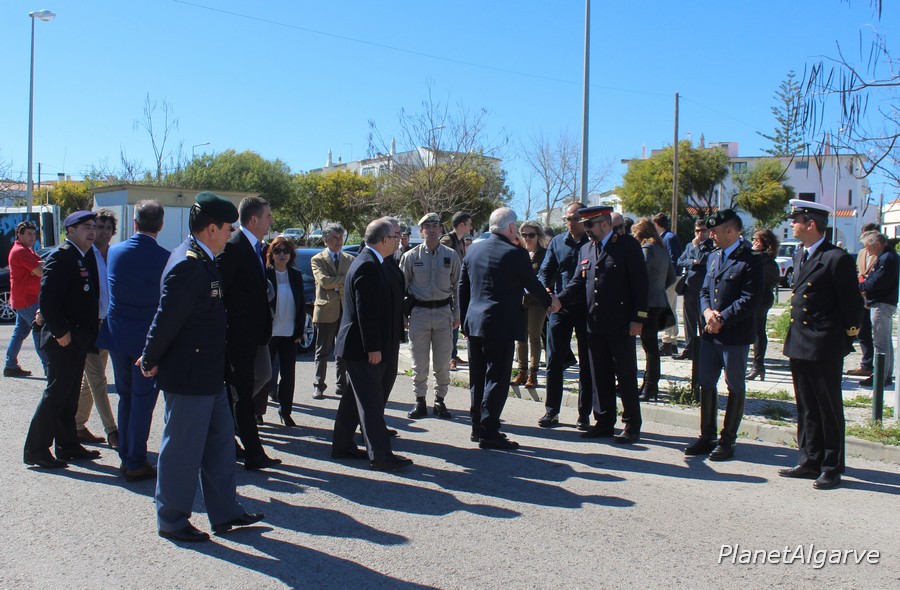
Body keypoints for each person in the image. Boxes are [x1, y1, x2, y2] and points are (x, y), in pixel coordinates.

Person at [141, 192, 263, 542]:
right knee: (181, 451)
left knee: (221, 445)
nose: (231, 233)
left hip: (210, 372)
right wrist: (150, 357)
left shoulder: (204, 258)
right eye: (228, 228)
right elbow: (167, 318)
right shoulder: (188, 263)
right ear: (211, 228)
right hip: (189, 374)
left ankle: (225, 512)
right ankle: (172, 519)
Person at [778, 200, 863, 490]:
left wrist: (845, 337)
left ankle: (831, 465)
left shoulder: (836, 258)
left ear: (811, 223)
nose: (792, 224)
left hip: (824, 343)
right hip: (800, 341)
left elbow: (852, 306)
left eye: (796, 220)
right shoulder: (801, 254)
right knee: (806, 405)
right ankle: (809, 459)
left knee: (828, 408)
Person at [461, 207, 552, 449]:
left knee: (477, 378)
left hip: (474, 323)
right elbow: (531, 284)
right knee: (497, 378)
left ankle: (477, 427)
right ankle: (489, 432)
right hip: (500, 324)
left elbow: (462, 287)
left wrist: (464, 320)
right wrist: (550, 302)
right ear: (512, 228)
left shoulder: (473, 250)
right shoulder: (516, 253)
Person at [556, 206, 648, 444]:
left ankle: (631, 424)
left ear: (604, 224)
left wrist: (638, 319)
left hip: (621, 323)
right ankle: (604, 421)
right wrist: (558, 301)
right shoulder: (587, 248)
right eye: (584, 225)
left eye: (589, 225)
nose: (585, 229)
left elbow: (641, 285)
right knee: (599, 374)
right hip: (594, 323)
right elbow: (578, 282)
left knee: (625, 375)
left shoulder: (627, 245)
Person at [95, 200, 170, 481]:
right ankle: (135, 460)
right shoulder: (166, 258)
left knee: (126, 397)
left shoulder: (115, 251)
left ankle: (127, 456)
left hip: (118, 334)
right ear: (160, 225)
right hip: (146, 339)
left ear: (135, 223)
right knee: (142, 401)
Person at [331, 217, 411, 471]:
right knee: (371, 403)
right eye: (396, 236)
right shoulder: (367, 265)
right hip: (362, 348)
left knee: (353, 399)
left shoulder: (378, 262)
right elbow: (365, 312)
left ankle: (342, 445)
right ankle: (380, 456)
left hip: (368, 345)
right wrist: (373, 348)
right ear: (384, 240)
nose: (399, 240)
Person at [23, 211, 101, 469]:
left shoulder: (83, 255)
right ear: (70, 231)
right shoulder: (62, 255)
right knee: (56, 395)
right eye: (85, 227)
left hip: (78, 337)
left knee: (69, 395)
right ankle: (36, 449)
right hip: (63, 339)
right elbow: (47, 299)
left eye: (93, 227)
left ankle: (67, 445)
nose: (92, 231)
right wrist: (59, 331)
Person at [683, 210, 762, 461]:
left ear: (730, 230)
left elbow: (749, 299)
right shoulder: (713, 257)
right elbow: (704, 291)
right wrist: (707, 313)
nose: (711, 236)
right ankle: (707, 436)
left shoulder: (750, 260)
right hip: (710, 333)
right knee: (706, 382)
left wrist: (722, 318)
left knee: (734, 384)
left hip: (734, 335)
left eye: (715, 231)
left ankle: (728, 440)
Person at [217, 196, 279, 471]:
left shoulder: (256, 247)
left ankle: (238, 440)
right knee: (241, 394)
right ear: (254, 220)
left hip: (254, 335)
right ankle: (253, 453)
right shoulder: (234, 247)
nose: (271, 221)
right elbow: (221, 292)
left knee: (252, 384)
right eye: (268, 216)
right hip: (237, 336)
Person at [538, 202, 593, 428]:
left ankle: (584, 414)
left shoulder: (592, 242)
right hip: (559, 308)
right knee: (554, 360)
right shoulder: (557, 242)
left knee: (587, 363)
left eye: (575, 219)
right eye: (568, 219)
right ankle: (551, 411)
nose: (571, 223)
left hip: (585, 308)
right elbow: (544, 271)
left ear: (584, 219)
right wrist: (546, 291)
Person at [401, 213, 461, 420]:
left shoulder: (451, 256)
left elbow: (458, 287)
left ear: (441, 229)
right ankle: (420, 401)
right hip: (419, 314)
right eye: (427, 226)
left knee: (443, 362)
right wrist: (402, 316)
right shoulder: (411, 256)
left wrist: (457, 314)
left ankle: (439, 400)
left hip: (444, 314)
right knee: (419, 363)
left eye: (435, 225)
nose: (432, 229)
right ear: (421, 231)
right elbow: (401, 288)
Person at [75, 208, 119, 449]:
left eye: (108, 228)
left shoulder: (115, 255)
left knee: (90, 381)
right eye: (99, 227)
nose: (103, 232)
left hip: (108, 324)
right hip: (89, 326)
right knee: (98, 379)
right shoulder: (84, 255)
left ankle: (77, 425)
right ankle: (112, 430)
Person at [631, 218, 675, 402]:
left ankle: (650, 386)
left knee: (649, 347)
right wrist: (659, 288)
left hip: (647, 303)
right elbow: (671, 277)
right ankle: (649, 385)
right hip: (659, 300)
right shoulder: (662, 249)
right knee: (651, 346)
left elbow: (640, 276)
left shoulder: (647, 249)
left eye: (635, 234)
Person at [265, 236, 307, 426]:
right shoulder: (266, 274)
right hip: (269, 333)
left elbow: (301, 305)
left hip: (290, 334)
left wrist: (299, 331)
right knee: (264, 375)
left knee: (288, 375)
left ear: (291, 254)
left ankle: (285, 411)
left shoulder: (295, 275)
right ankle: (258, 411)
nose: (282, 254)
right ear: (271, 254)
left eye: (286, 251)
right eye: (277, 250)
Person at [310, 224, 353, 400]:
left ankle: (342, 385)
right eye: (335, 237)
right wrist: (342, 280)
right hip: (325, 310)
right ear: (325, 239)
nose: (338, 241)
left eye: (340, 237)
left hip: (345, 310)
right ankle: (318, 385)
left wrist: (336, 282)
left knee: (343, 351)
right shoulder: (318, 259)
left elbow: (352, 281)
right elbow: (324, 282)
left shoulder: (350, 259)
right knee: (322, 351)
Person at [4, 221, 47, 377]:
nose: (32, 237)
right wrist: (36, 269)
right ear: (19, 235)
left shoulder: (27, 250)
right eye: (28, 234)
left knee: (20, 333)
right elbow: (40, 271)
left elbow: (40, 265)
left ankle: (10, 365)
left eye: (34, 234)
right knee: (40, 330)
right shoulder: (20, 251)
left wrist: (36, 269)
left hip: (25, 299)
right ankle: (49, 368)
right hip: (27, 300)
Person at [858, 230, 898, 387]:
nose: (866, 249)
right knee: (885, 341)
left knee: (880, 343)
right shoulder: (887, 256)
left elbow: (876, 282)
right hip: (884, 302)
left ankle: (880, 377)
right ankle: (885, 374)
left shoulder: (886, 258)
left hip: (881, 303)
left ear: (878, 244)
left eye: (868, 246)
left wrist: (860, 285)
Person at [511, 220, 548, 389]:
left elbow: (547, 276)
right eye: (524, 235)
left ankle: (533, 374)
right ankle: (521, 372)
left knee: (534, 336)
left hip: (537, 301)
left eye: (531, 235)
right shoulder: (519, 253)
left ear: (538, 236)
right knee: (520, 337)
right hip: (520, 300)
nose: (527, 238)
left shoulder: (545, 254)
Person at [675, 219, 714, 361]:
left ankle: (704, 348)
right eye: (697, 231)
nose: (699, 234)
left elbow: (703, 259)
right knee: (689, 320)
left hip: (703, 287)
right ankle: (689, 347)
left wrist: (697, 248)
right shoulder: (689, 246)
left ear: (708, 232)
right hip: (689, 287)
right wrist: (692, 262)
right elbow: (680, 261)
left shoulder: (711, 246)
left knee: (702, 319)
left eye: (703, 230)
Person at [746, 228, 780, 381]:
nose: (752, 242)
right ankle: (758, 365)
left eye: (755, 239)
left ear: (761, 242)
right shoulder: (769, 259)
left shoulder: (759, 258)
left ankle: (757, 365)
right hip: (765, 297)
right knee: (759, 331)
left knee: (757, 331)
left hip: (758, 299)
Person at [847, 223, 880, 377]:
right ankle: (866, 364)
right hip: (862, 296)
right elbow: (857, 270)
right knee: (863, 332)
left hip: (876, 297)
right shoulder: (861, 253)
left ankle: (881, 369)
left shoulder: (880, 254)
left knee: (879, 335)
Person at [441, 211, 473, 369]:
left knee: (456, 321)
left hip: (457, 288)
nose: (471, 227)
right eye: (469, 224)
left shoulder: (459, 241)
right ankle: (449, 357)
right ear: (461, 225)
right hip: (447, 290)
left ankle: (453, 354)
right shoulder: (447, 241)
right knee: (452, 324)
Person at [652, 213, 683, 356]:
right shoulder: (668, 236)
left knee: (667, 309)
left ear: (657, 224)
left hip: (670, 277)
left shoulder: (668, 238)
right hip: (672, 276)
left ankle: (667, 342)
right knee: (671, 309)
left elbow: (672, 259)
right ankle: (672, 342)